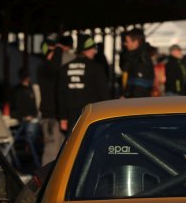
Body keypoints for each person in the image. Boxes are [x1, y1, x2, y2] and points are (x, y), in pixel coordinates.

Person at [57, 34, 111, 130]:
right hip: (92, 115)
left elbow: (61, 94)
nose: (95, 51)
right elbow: (104, 93)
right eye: (92, 48)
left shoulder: (65, 68)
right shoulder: (96, 68)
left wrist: (63, 118)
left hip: (71, 116)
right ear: (86, 49)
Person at [36, 35, 64, 164]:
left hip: (52, 115)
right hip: (50, 116)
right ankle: (45, 182)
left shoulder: (45, 68)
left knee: (58, 151)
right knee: (51, 152)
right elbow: (55, 68)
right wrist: (58, 50)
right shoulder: (45, 68)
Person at [11, 68, 41, 168]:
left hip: (33, 117)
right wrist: (24, 117)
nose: (28, 78)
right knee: (31, 135)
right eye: (26, 76)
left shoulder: (31, 88)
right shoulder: (18, 90)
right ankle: (31, 155)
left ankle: (32, 154)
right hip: (25, 119)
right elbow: (16, 107)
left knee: (37, 132)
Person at [121, 28, 155, 98]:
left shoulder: (142, 59)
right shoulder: (132, 57)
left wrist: (127, 98)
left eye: (127, 41)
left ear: (136, 42)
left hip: (136, 104)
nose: (125, 44)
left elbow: (140, 88)